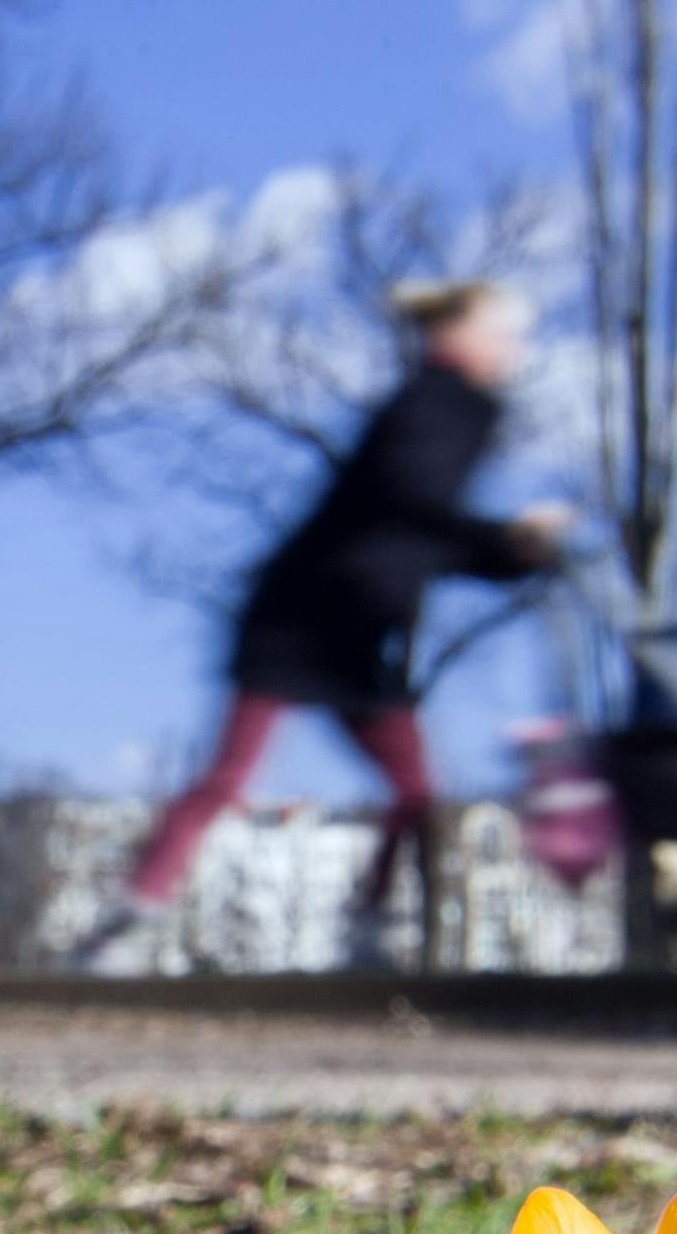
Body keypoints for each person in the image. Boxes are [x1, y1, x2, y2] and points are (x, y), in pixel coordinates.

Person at [79, 279, 570, 973]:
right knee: (229, 778)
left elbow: (420, 531)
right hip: (303, 616)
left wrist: (510, 553)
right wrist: (507, 536)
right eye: (505, 330)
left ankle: (364, 931)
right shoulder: (440, 403)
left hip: (358, 628)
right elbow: (411, 503)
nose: (515, 347)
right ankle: (126, 923)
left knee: (415, 793)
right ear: (456, 333)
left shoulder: (454, 408)